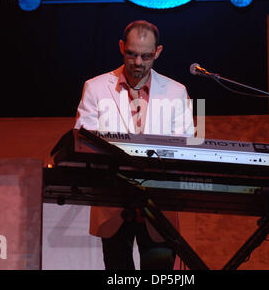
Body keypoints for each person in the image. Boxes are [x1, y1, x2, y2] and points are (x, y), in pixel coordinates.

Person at [74, 20, 194, 270]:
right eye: (132, 54)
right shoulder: (95, 88)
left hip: (159, 204)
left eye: (146, 55)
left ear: (158, 52)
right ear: (121, 47)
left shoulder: (177, 92)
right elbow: (83, 141)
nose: (138, 62)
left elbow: (189, 146)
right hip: (112, 202)